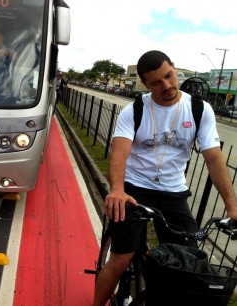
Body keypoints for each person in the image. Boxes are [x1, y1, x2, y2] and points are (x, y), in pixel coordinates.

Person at [93, 50, 237, 306]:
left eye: (169, 76)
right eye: (156, 82)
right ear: (146, 85)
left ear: (174, 68)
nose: (167, 85)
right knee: (121, 259)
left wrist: (232, 206)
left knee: (189, 264)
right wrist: (116, 189)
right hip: (133, 190)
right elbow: (119, 154)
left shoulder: (198, 110)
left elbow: (214, 159)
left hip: (174, 193)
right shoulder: (134, 111)